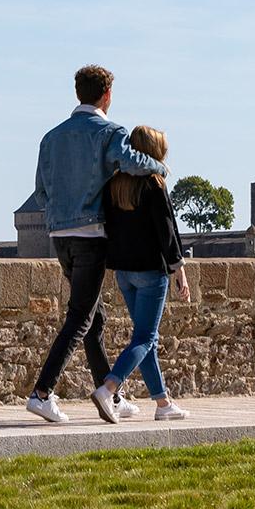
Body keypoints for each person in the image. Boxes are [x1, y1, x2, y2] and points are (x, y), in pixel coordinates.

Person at [26, 65, 169, 425]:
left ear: (79, 93)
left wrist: (61, 212)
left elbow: (41, 192)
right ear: (106, 95)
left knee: (95, 317)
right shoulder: (109, 133)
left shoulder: (51, 138)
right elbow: (132, 162)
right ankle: (42, 393)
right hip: (90, 235)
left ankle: (113, 396)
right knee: (80, 318)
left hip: (59, 235)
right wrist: (160, 168)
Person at [92, 124, 191, 424]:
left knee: (144, 338)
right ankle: (109, 387)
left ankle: (162, 403)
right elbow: (167, 231)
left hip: (124, 271)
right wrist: (179, 270)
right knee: (146, 337)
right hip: (151, 270)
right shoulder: (154, 184)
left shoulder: (114, 185)